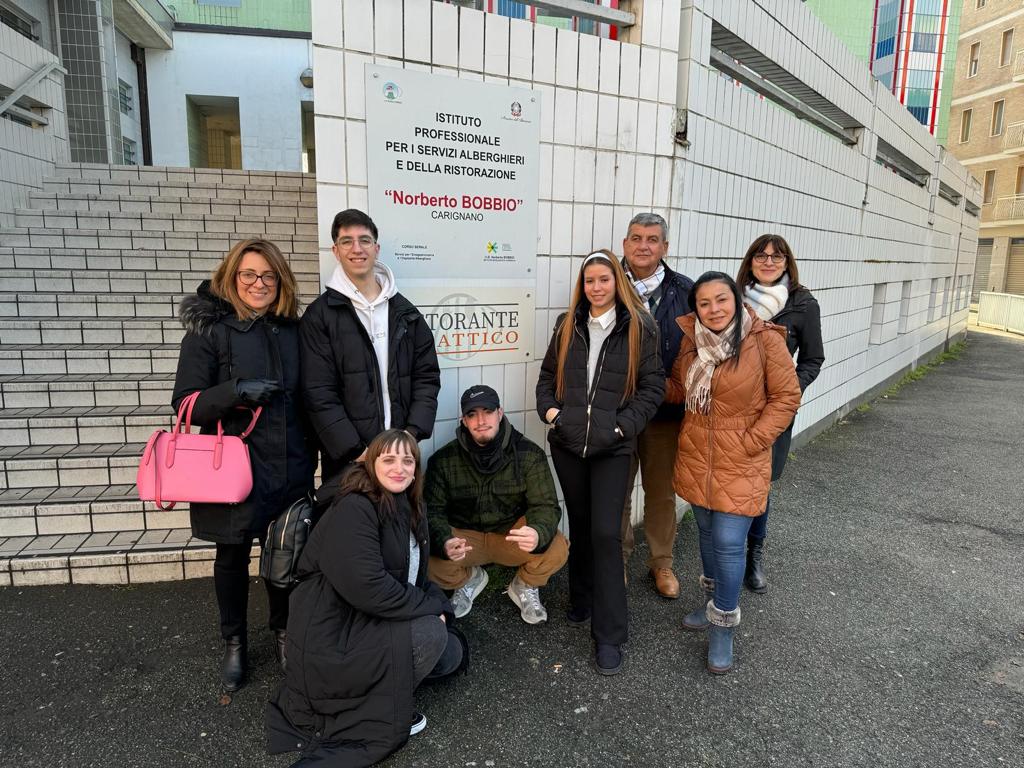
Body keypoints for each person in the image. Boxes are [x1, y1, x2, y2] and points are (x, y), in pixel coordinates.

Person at [266, 430, 464, 767]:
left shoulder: (410, 506)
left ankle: (385, 684)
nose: (398, 467)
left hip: (363, 619)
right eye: (388, 459)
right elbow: (369, 588)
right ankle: (375, 706)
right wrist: (434, 610)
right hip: (333, 634)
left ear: (416, 469)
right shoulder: (354, 507)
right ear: (372, 464)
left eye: (407, 460)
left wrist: (442, 606)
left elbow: (415, 578)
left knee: (450, 653)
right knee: (432, 634)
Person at [171, 238, 315, 692]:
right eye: (249, 274)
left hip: (289, 465)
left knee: (285, 556)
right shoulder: (209, 331)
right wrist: (234, 391)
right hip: (231, 468)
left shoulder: (294, 331)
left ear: (281, 281)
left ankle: (285, 632)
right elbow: (186, 407)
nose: (259, 283)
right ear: (232, 277)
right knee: (231, 557)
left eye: (268, 275)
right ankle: (234, 642)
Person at [536, 249, 665, 675]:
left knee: (607, 533)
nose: (596, 287)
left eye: (603, 280)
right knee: (580, 521)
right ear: (582, 285)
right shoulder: (568, 324)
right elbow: (545, 380)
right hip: (569, 444)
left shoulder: (639, 327)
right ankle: (581, 597)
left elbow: (652, 387)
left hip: (614, 447)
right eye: (589, 280)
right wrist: (554, 416)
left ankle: (609, 635)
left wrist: (621, 427)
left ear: (617, 283)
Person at [665, 272, 801, 674]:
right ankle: (710, 604)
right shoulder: (692, 343)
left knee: (727, 541)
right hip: (697, 456)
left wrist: (754, 439)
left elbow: (786, 396)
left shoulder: (764, 340)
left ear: (736, 300)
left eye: (721, 300)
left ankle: (723, 622)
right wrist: (645, 386)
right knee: (706, 535)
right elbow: (679, 388)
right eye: (704, 303)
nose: (713, 309)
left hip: (741, 457)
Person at [300, 208, 440, 488]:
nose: (357, 249)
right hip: (350, 460)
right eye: (346, 241)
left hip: (400, 456)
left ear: (376, 248)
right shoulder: (320, 316)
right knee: (354, 529)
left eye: (364, 240)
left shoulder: (405, 312)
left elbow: (427, 377)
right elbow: (318, 392)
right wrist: (357, 451)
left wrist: (410, 436)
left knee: (402, 528)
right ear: (335, 250)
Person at [426, 385, 569, 625]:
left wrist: (536, 532)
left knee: (557, 548)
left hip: (510, 536)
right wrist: (444, 541)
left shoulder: (529, 454)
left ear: (500, 413)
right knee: (425, 560)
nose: (481, 420)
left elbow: (546, 506)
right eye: (472, 414)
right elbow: (432, 511)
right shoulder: (442, 460)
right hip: (466, 539)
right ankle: (469, 579)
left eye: (488, 411)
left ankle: (524, 584)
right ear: (464, 420)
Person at [736, 234, 824, 591]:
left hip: (773, 411)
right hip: (732, 407)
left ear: (787, 262)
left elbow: (813, 359)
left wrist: (787, 391)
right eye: (761, 255)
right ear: (750, 260)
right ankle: (727, 553)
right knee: (730, 478)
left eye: (777, 256)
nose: (769, 261)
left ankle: (753, 556)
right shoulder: (734, 296)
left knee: (760, 485)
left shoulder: (802, 303)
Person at [619, 212, 694, 598]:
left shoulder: (685, 290)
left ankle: (661, 563)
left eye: (652, 239)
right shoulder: (605, 281)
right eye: (635, 238)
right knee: (616, 489)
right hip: (615, 411)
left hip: (664, 412)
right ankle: (618, 563)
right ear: (624, 244)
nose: (643, 245)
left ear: (665, 246)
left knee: (661, 491)